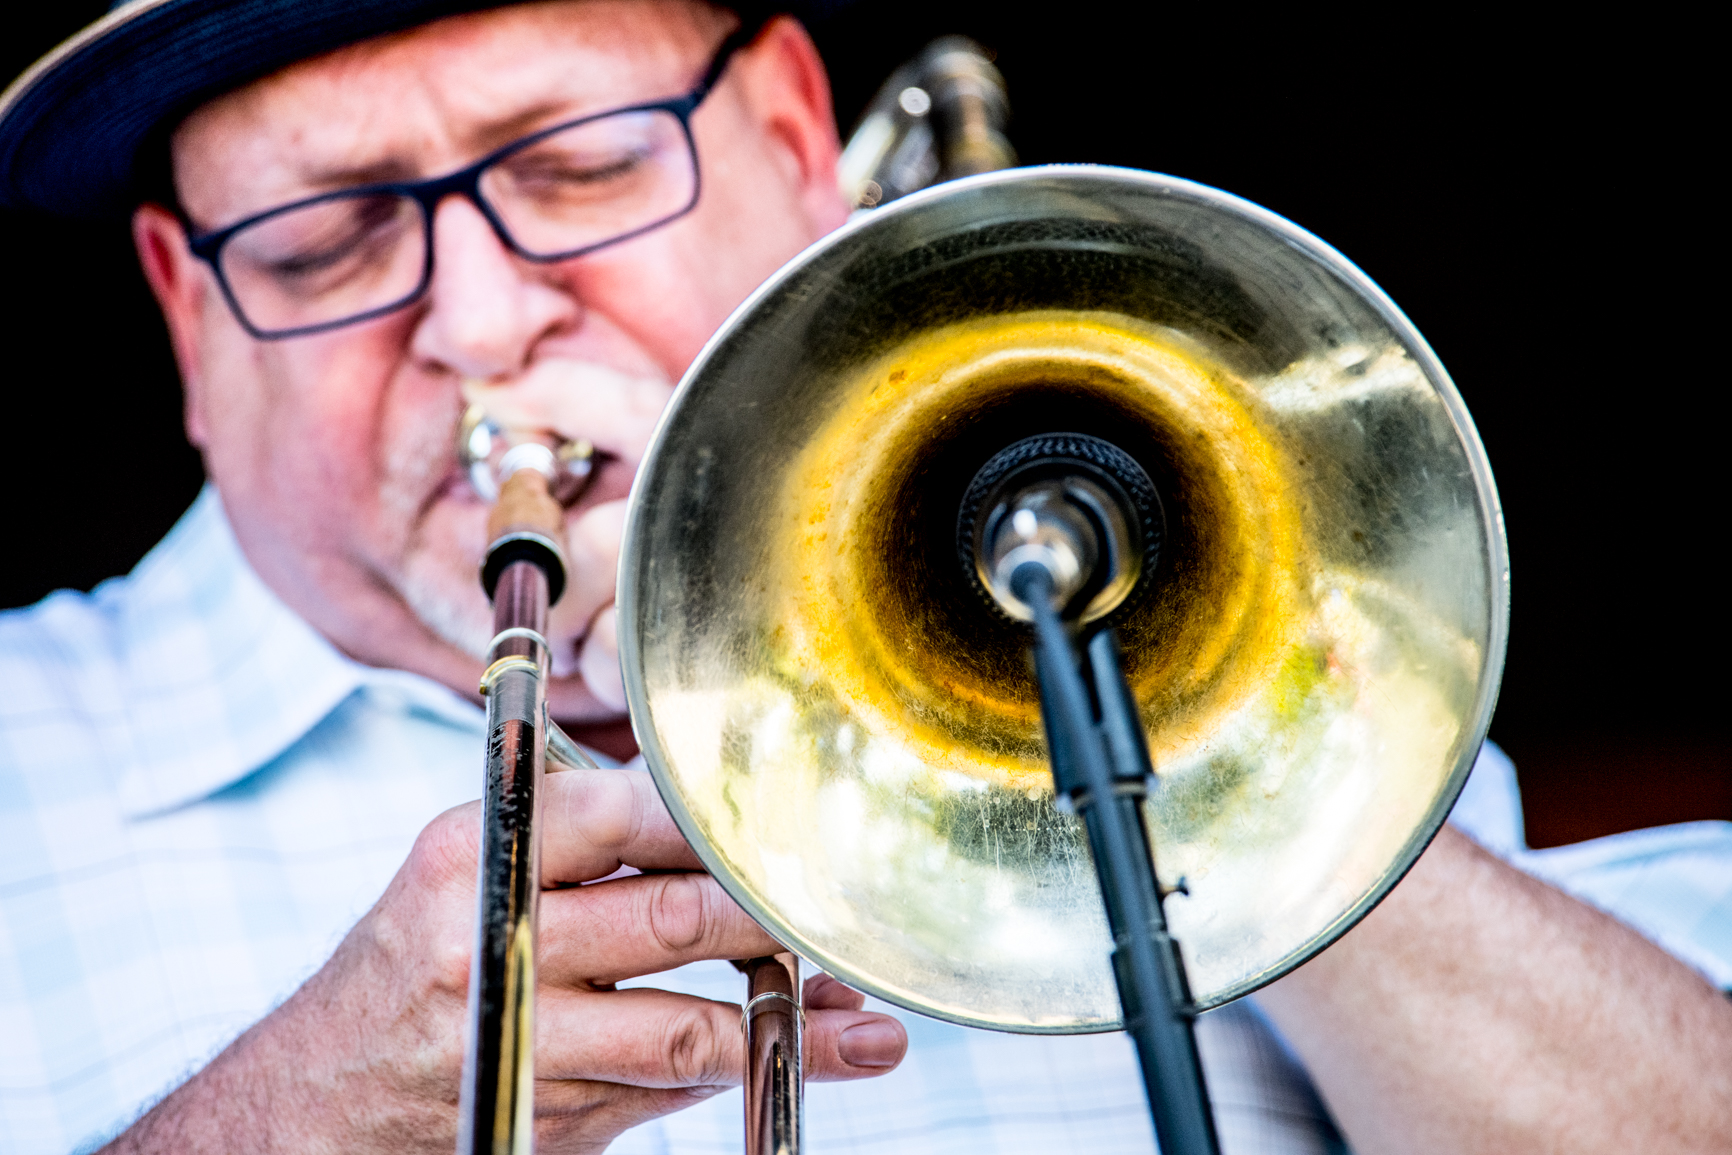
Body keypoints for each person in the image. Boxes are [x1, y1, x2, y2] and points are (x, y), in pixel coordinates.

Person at [0, 2, 1728, 1153]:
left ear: (788, 139)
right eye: (326, 241)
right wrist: (308, 1114)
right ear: (184, 310)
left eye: (580, 168)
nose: (477, 318)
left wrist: (1230, 786)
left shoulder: (1245, 636)